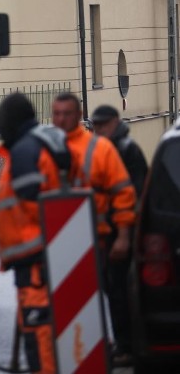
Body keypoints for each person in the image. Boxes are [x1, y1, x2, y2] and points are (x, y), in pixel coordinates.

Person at [52, 92, 137, 367]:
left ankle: (113, 347)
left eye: (67, 113)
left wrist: (123, 235)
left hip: (101, 238)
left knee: (114, 295)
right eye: (57, 114)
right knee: (76, 300)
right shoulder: (47, 151)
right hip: (66, 244)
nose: (61, 119)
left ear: (78, 116)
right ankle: (82, 350)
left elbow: (124, 194)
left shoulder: (101, 149)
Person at [0, 93, 70, 374]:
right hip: (36, 255)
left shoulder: (26, 151)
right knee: (36, 322)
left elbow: (35, 202)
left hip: (36, 257)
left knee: (39, 328)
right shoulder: (38, 143)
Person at [89, 104, 148, 365]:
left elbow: (134, 193)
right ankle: (122, 343)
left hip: (121, 233)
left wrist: (125, 233)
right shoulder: (109, 150)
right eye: (95, 126)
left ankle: (126, 347)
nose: (98, 130)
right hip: (108, 234)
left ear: (115, 122)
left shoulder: (125, 150)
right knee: (113, 290)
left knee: (119, 291)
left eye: (102, 125)